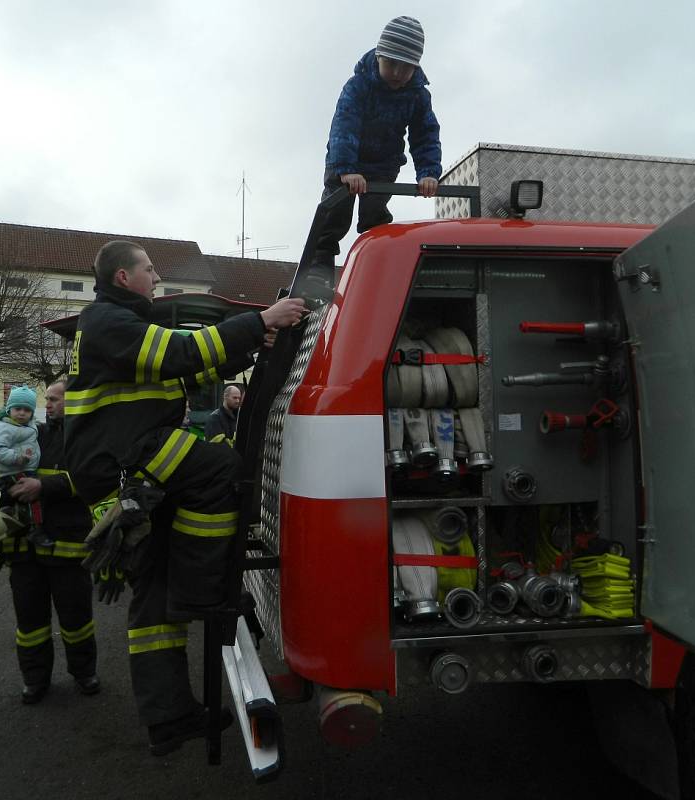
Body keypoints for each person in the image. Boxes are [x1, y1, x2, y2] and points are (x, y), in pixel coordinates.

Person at [64, 239, 305, 755]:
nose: (156, 277)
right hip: (124, 458)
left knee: (153, 603)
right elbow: (180, 352)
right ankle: (203, 589)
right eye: (149, 270)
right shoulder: (108, 322)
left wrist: (248, 345)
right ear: (124, 278)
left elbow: (186, 368)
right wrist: (262, 318)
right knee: (220, 466)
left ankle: (170, 718)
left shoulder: (115, 323)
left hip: (122, 457)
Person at [305, 16, 442, 298]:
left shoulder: (417, 96)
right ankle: (319, 275)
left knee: (375, 217)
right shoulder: (358, 86)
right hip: (344, 163)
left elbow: (425, 134)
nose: (397, 72)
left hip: (382, 165)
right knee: (334, 217)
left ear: (416, 67)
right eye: (390, 63)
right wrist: (346, 168)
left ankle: (376, 268)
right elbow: (344, 125)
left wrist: (428, 172)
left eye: (406, 67)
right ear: (378, 56)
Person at [0, 379, 99, 704]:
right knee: (30, 620)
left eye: (55, 398)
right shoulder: (32, 433)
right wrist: (2, 488)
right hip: (24, 546)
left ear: (74, 400)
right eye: (48, 399)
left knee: (76, 616)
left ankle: (84, 672)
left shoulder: (87, 436)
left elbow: (92, 479)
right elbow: (3, 468)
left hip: (67, 544)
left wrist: (43, 487)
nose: (48, 404)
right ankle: (35, 679)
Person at [0, 384, 53, 549]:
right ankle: (35, 529)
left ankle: (11, 513)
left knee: (26, 499)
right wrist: (17, 458)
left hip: (23, 468)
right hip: (14, 470)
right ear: (9, 409)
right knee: (33, 498)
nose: (22, 413)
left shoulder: (27, 426)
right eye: (17, 409)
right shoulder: (2, 427)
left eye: (27, 410)